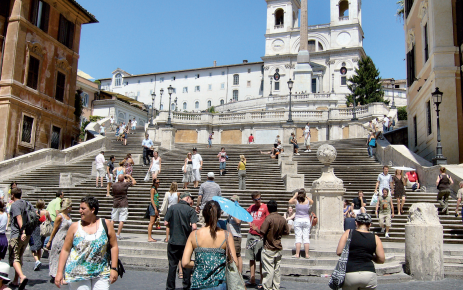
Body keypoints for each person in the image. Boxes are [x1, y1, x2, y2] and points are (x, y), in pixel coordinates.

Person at [55, 196, 119, 289]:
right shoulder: (74, 227)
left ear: (93, 210)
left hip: (101, 271)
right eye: (79, 208)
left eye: (83, 208)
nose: (80, 211)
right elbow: (65, 250)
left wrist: (114, 268)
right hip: (77, 273)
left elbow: (114, 246)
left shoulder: (106, 224)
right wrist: (59, 272)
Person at [182, 200, 238, 290]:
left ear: (204, 215)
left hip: (198, 283)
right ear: (219, 214)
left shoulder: (194, 235)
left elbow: (185, 262)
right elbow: (235, 262)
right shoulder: (226, 235)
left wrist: (201, 263)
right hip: (219, 284)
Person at [335, 213, 385, 290]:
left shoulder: (348, 233)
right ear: (370, 225)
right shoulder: (375, 238)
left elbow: (339, 252)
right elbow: (381, 259)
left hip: (350, 272)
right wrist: (371, 257)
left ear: (356, 223)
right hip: (369, 273)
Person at [251, 200, 290, 290]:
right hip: (278, 247)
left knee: (268, 270)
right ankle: (276, 287)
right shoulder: (282, 219)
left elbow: (262, 232)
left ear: (268, 208)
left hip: (269, 247)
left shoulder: (268, 218)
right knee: (277, 270)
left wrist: (256, 228)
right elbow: (287, 231)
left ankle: (268, 287)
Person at [165, 192, 198, 290]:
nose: (192, 201)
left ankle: (170, 287)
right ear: (187, 198)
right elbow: (194, 227)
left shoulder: (172, 207)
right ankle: (186, 286)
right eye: (191, 199)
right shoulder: (190, 210)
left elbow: (166, 222)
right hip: (185, 242)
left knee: (172, 265)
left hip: (173, 241)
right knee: (186, 265)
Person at [8, 188, 30, 289]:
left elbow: (18, 217)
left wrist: (23, 231)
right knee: (19, 257)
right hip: (26, 236)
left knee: (14, 257)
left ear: (13, 195)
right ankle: (15, 281)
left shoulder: (15, 205)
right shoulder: (27, 203)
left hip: (18, 234)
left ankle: (21, 276)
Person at [246, 192, 269, 287]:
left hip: (260, 235)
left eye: (259, 199)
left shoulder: (265, 207)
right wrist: (249, 222)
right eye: (255, 200)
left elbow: (268, 219)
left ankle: (261, 280)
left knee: (260, 258)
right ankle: (252, 278)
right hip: (251, 234)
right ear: (253, 200)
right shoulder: (251, 207)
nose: (258, 201)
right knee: (251, 257)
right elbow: (245, 214)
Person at [47, 198, 72, 283]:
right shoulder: (59, 217)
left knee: (66, 258)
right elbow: (54, 229)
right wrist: (50, 241)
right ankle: (58, 276)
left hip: (67, 239)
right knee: (57, 258)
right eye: (71, 206)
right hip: (59, 239)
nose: (72, 207)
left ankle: (63, 275)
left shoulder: (69, 216)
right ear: (67, 207)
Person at [288, 189, 314, 258]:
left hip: (298, 220)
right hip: (306, 220)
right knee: (306, 237)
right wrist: (306, 196)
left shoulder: (296, 201)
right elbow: (312, 201)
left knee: (298, 237)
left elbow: (289, 201)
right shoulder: (307, 201)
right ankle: (307, 254)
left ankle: (297, 254)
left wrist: (295, 196)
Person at [111, 174, 136, 239]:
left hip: (115, 203)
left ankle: (109, 232)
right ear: (123, 179)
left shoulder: (113, 185)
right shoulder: (125, 184)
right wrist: (130, 176)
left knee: (113, 219)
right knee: (121, 220)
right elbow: (134, 182)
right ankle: (118, 234)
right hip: (123, 203)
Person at [29, 200, 51, 271]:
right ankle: (38, 261)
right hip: (42, 230)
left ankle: (37, 261)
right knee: (39, 247)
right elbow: (50, 220)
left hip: (35, 229)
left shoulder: (34, 212)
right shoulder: (46, 212)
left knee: (33, 247)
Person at [226, 195, 243, 274]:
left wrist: (232, 213)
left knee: (237, 255)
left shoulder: (238, 210)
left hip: (236, 236)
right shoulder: (231, 211)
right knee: (231, 254)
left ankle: (239, 273)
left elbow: (238, 221)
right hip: (230, 235)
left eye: (233, 201)